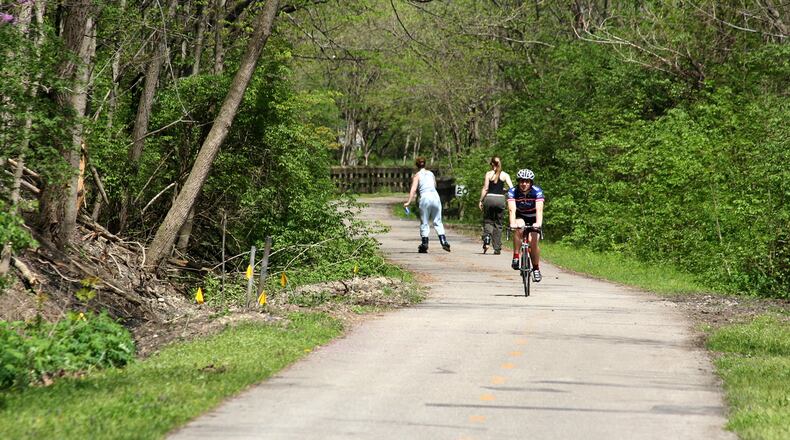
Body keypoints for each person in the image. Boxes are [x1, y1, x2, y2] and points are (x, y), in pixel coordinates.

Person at [404, 157, 451, 253]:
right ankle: (443, 241)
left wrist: (408, 202)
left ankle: (424, 243)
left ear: (416, 165)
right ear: (425, 164)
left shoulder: (417, 176)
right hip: (435, 197)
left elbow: (413, 189)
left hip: (425, 197)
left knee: (424, 221)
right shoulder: (431, 174)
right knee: (438, 220)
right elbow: (435, 185)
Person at [507, 169, 544, 282]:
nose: (524, 184)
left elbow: (539, 209)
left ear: (531, 183)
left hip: (533, 217)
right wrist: (512, 223)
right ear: (518, 182)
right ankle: (516, 256)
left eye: (527, 181)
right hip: (520, 216)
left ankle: (536, 269)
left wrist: (538, 223)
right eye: (522, 181)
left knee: (534, 242)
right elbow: (512, 209)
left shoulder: (537, 191)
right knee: (519, 227)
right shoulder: (513, 191)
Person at [478, 156, 514, 254]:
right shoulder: (505, 175)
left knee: (488, 220)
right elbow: (511, 188)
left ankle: (487, 238)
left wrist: (481, 200)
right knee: (498, 223)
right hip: (500, 199)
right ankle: (497, 248)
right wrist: (504, 191)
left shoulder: (488, 174)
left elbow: (485, 188)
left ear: (492, 164)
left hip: (489, 198)